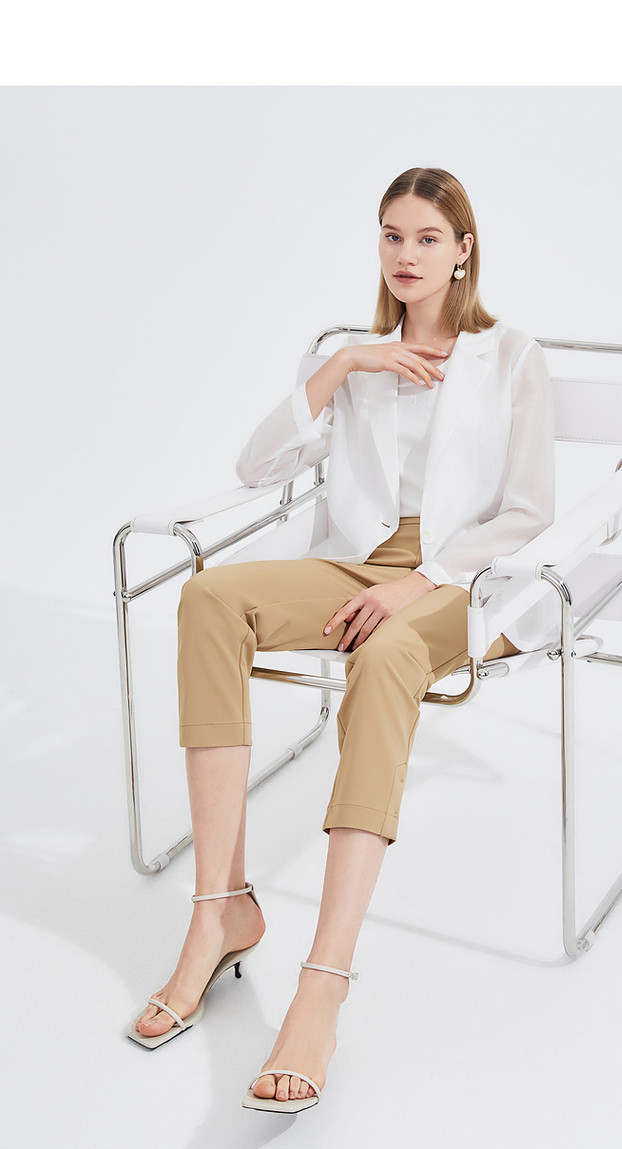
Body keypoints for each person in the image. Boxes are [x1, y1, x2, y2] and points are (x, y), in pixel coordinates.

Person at [125, 167, 555, 1113]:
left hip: (463, 580)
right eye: (392, 235)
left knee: (391, 651)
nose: (407, 254)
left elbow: (528, 510)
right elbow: (256, 466)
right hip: (358, 565)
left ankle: (324, 980)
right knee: (209, 598)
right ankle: (220, 909)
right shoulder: (359, 359)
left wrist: (419, 583)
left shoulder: (510, 356)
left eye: (428, 238)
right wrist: (343, 366)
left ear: (464, 249)